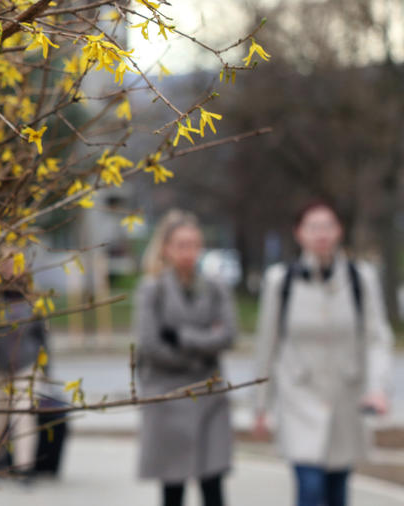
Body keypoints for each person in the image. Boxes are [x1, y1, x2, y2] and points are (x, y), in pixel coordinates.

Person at [253, 201, 393, 506]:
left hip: (346, 396)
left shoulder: (360, 279)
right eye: (313, 227)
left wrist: (377, 389)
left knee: (337, 488)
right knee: (310, 486)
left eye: (328, 226)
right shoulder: (281, 281)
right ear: (299, 233)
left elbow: (376, 338)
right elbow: (267, 345)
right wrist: (260, 405)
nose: (321, 234)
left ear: (339, 231)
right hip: (299, 397)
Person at [134, 210, 236, 506]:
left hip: (210, 396)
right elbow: (151, 344)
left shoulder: (215, 287)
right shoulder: (153, 289)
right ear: (166, 248)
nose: (188, 252)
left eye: (193, 244)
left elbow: (228, 335)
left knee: (213, 482)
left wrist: (180, 337)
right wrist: (203, 348)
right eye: (181, 245)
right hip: (168, 397)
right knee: (173, 485)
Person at [0, 254, 47, 476]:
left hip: (25, 365)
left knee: (24, 414)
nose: (10, 270)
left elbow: (42, 335)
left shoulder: (32, 298)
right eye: (6, 265)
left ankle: (24, 467)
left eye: (15, 265)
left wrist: (44, 366)